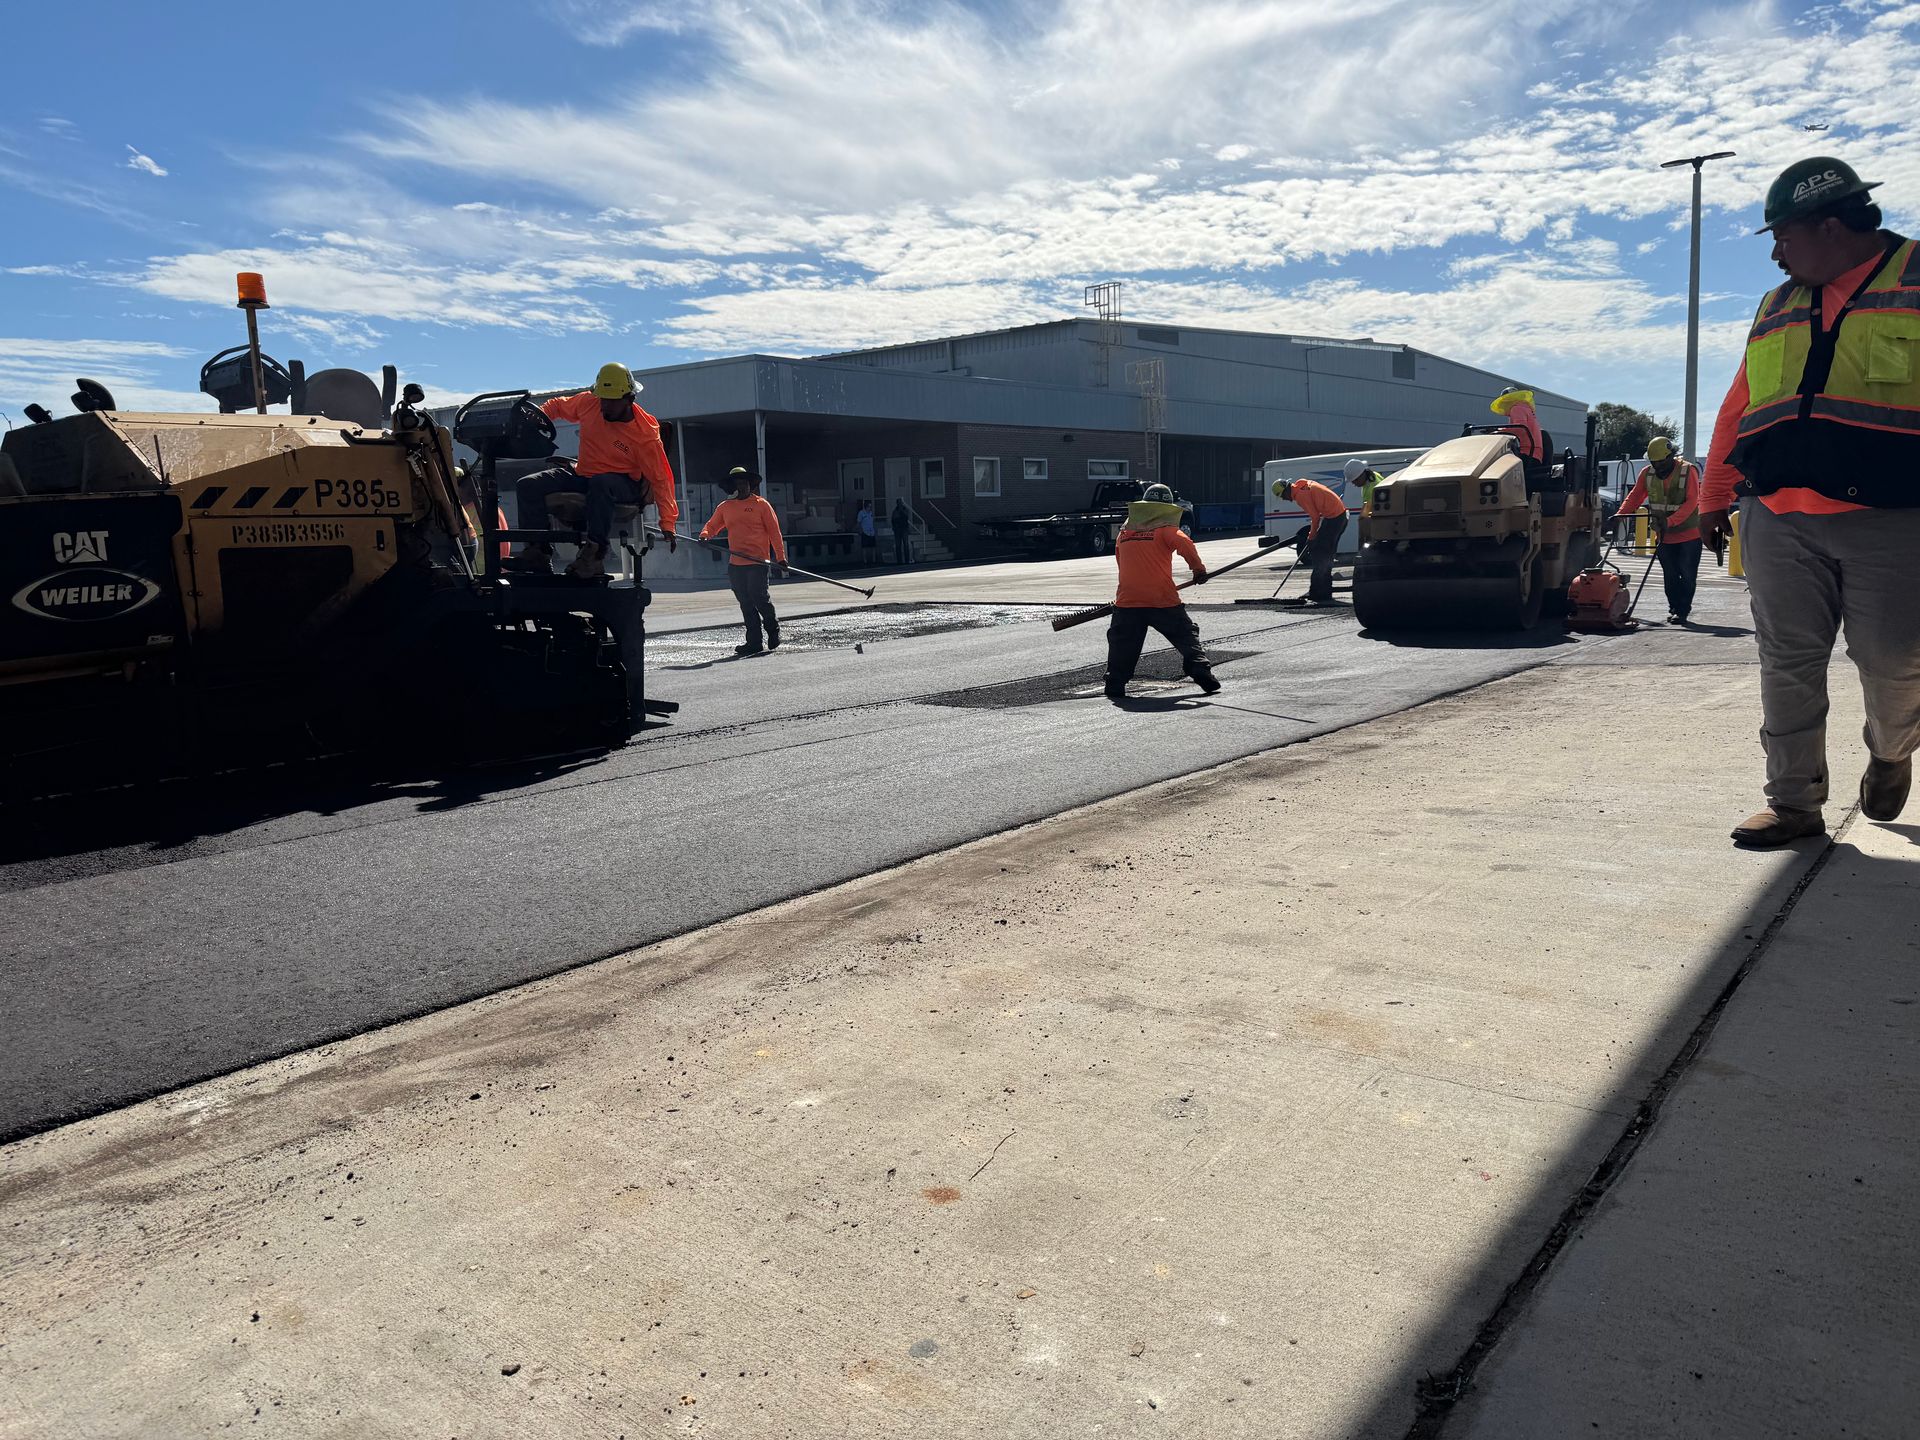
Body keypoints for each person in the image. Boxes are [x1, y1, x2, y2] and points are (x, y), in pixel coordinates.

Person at [1699, 155, 1920, 847]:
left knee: (1894, 661)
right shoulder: (1776, 305)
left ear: (1831, 226)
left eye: (1783, 236)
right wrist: (1713, 495)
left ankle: (1891, 750)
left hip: (1891, 515)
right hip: (1779, 515)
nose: (1775, 254)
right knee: (1786, 662)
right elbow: (1741, 403)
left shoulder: (1915, 280)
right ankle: (1794, 802)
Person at [504, 363, 678, 580]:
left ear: (629, 399)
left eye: (611, 401)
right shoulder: (590, 403)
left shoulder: (645, 435)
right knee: (528, 484)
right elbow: (558, 406)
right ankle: (537, 553)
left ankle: (594, 556)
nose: (604, 405)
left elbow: (661, 479)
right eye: (602, 398)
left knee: (601, 482)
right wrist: (541, 414)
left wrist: (668, 523)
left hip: (623, 483)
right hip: (584, 474)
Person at [1105, 483, 1217, 700]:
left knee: (1123, 643)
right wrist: (1198, 570)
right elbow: (1186, 544)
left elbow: (1120, 561)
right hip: (1161, 598)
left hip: (1128, 600)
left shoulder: (1125, 531)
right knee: (1185, 634)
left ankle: (1115, 683)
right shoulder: (1165, 529)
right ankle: (1200, 670)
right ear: (1166, 507)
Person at [1613, 436, 1703, 623]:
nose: (1659, 466)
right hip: (1664, 536)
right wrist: (1620, 515)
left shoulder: (1688, 471)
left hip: (1689, 534)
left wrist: (1670, 521)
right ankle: (1674, 607)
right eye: (1655, 462)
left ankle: (1683, 611)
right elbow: (1635, 496)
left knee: (1687, 575)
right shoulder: (1648, 473)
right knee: (1670, 575)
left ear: (1671, 456)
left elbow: (1693, 500)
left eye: (1662, 461)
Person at [699, 466, 788, 656]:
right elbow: (712, 525)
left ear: (751, 485)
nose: (742, 486)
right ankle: (754, 642)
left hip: (757, 562)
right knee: (746, 603)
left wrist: (780, 557)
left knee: (760, 598)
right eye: (738, 483)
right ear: (733, 486)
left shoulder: (761, 505)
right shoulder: (725, 507)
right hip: (736, 564)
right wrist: (705, 535)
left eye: (745, 483)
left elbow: (774, 532)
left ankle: (773, 631)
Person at [1273, 475, 1347, 604]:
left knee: (1321, 555)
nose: (1285, 499)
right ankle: (1321, 591)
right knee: (1323, 554)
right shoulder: (1302, 484)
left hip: (1334, 518)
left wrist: (1311, 537)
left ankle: (1320, 593)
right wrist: (1314, 535)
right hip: (1337, 516)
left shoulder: (1301, 496)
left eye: (1282, 496)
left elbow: (1315, 517)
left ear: (1285, 491)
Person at [1490, 385, 1544, 462]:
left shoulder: (1516, 408)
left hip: (1526, 452)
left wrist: (1498, 432)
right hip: (1535, 453)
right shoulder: (1525, 408)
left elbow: (1520, 429)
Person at [890, 499, 913, 565]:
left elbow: (906, 517)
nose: (900, 504)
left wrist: (901, 511)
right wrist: (894, 528)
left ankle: (907, 560)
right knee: (898, 546)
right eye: (899, 503)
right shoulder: (895, 511)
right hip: (897, 530)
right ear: (897, 503)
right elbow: (893, 520)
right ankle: (899, 561)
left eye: (901, 503)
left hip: (904, 529)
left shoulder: (905, 510)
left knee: (906, 545)